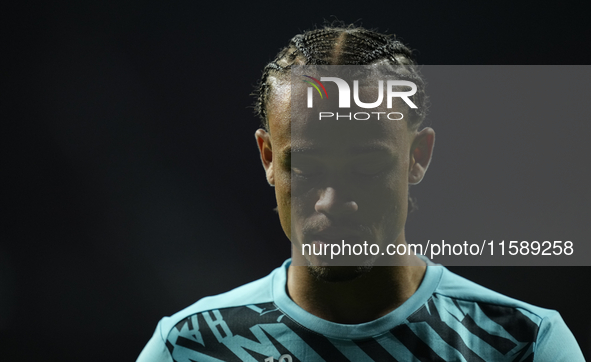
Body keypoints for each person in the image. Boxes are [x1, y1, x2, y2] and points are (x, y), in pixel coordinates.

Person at [137, 25, 584, 361]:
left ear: (418, 157)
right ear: (268, 158)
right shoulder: (189, 347)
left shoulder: (525, 344)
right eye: (306, 166)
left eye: (367, 166)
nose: (332, 201)